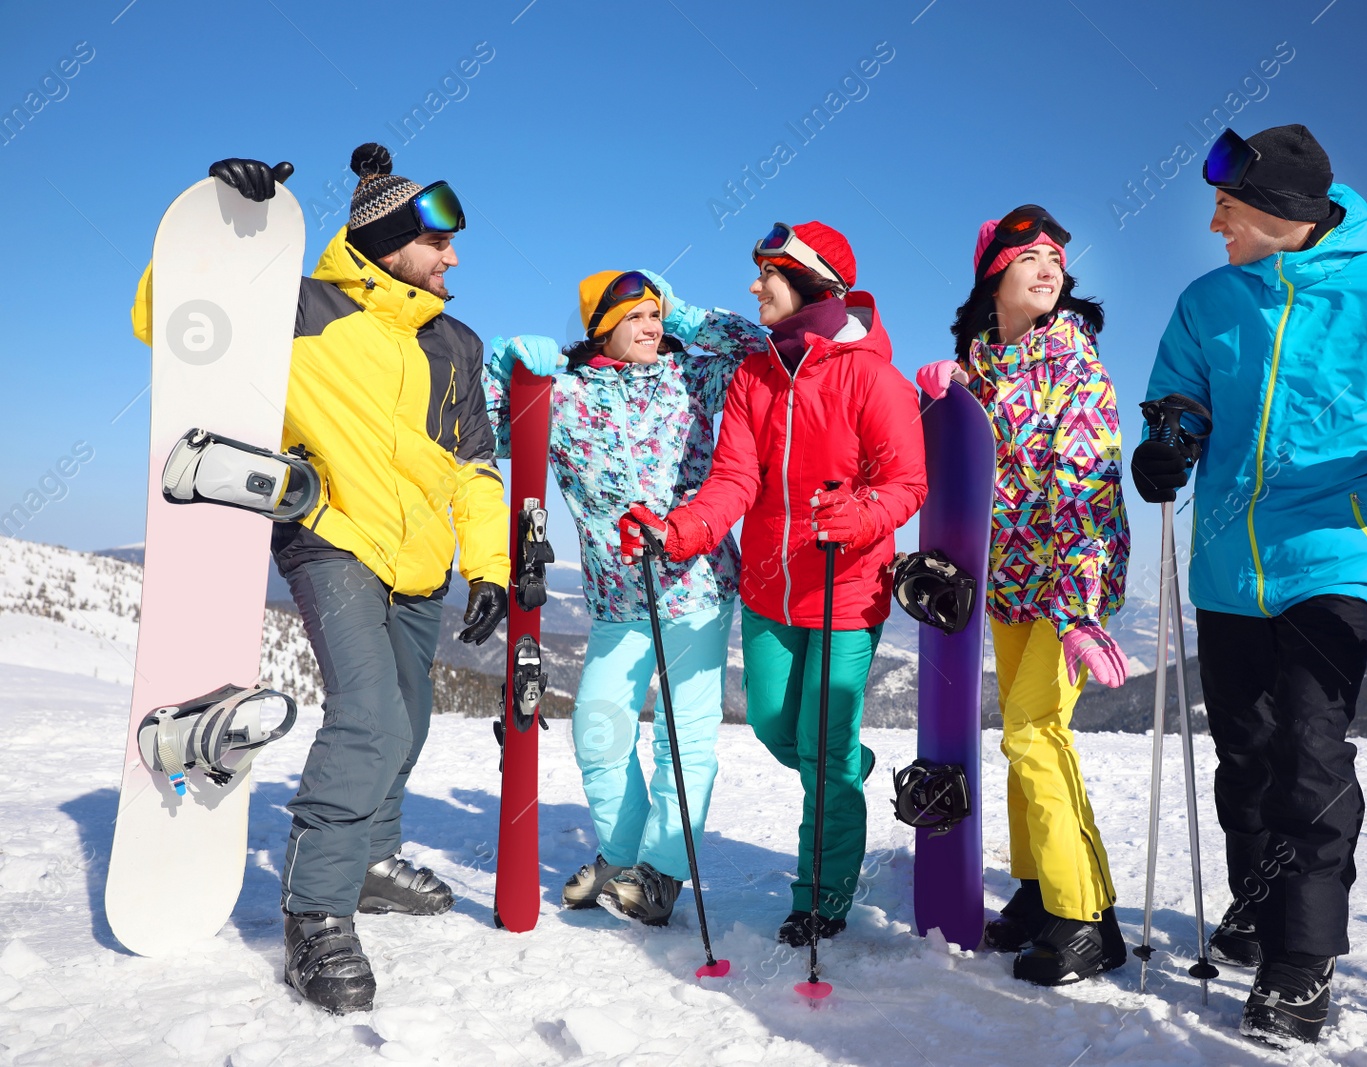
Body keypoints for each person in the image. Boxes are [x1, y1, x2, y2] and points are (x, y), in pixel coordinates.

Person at [1133, 124, 1367, 1047]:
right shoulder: (1208, 299)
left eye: (1229, 207)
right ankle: (1259, 911)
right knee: (1248, 760)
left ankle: (1301, 965)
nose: (1215, 222)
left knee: (1307, 756)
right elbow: (1179, 391)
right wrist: (1171, 438)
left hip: (1335, 563)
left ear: (1282, 213)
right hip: (1226, 570)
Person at [132, 145, 511, 1015]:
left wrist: (487, 563)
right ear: (388, 242)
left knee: (409, 718)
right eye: (438, 243)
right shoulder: (299, 304)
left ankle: (371, 858)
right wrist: (230, 231)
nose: (454, 259)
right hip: (328, 535)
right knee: (368, 715)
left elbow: (475, 467)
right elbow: (171, 321)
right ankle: (317, 911)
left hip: (421, 562)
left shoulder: (457, 343)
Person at [619, 222, 927, 947]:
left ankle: (819, 896)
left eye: (768, 274)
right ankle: (845, 771)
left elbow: (906, 482)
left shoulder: (874, 379)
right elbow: (733, 479)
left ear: (811, 283)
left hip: (845, 589)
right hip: (768, 590)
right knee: (769, 723)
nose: (754, 287)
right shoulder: (755, 377)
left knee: (821, 749)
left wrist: (859, 515)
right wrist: (679, 531)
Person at [484, 268, 763, 926]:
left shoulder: (694, 375)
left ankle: (660, 870)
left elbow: (760, 350)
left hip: (695, 586)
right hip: (616, 598)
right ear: (600, 326)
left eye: (655, 314)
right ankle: (620, 854)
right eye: (635, 315)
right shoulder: (566, 394)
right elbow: (495, 435)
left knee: (682, 739)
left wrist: (688, 313)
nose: (651, 325)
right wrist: (509, 370)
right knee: (600, 732)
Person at [916, 205, 1131, 986]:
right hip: (1007, 583)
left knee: (1037, 735)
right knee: (1018, 736)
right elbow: (968, 471)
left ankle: (1084, 919)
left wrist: (1078, 610)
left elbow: (1085, 490)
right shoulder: (984, 364)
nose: (1049, 268)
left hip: (1067, 584)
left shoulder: (1074, 362)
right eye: (1029, 255)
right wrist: (948, 398)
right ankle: (1042, 890)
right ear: (992, 273)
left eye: (1056, 258)